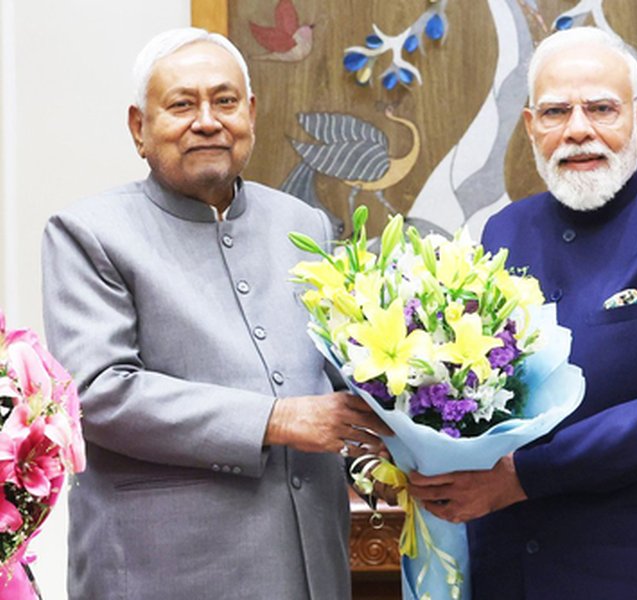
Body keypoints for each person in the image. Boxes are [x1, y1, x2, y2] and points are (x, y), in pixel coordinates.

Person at [41, 28, 389, 600]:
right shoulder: (88, 233)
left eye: (224, 101)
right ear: (139, 128)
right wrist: (275, 419)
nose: (207, 121)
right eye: (182, 105)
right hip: (163, 571)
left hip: (310, 566)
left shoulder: (303, 225)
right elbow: (98, 392)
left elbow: (344, 373)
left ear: (250, 113)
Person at [407, 26, 637, 599]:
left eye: (601, 109)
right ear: (530, 126)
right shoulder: (504, 231)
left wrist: (524, 476)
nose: (577, 130)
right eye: (555, 112)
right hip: (512, 572)